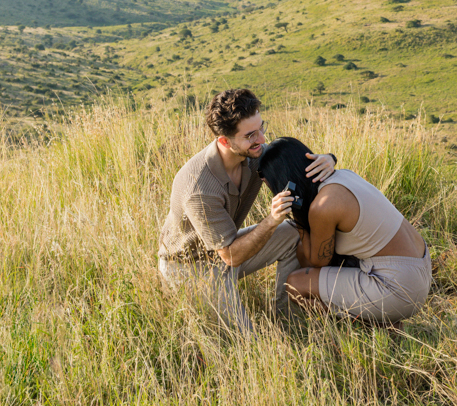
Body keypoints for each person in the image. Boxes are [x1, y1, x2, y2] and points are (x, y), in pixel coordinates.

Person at [157, 88, 338, 332]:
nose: (262, 139)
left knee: (294, 232)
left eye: (262, 128)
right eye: (251, 135)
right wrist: (272, 219)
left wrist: (328, 158)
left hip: (227, 245)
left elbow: (295, 163)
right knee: (246, 341)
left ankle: (289, 323)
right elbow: (230, 257)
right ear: (224, 141)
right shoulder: (200, 188)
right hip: (192, 267)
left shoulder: (253, 153)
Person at [258, 137, 431, 323]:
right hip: (419, 269)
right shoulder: (344, 176)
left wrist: (296, 209)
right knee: (303, 249)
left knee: (294, 284)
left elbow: (315, 261)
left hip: (397, 288)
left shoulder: (323, 207)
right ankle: (378, 315)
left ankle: (369, 326)